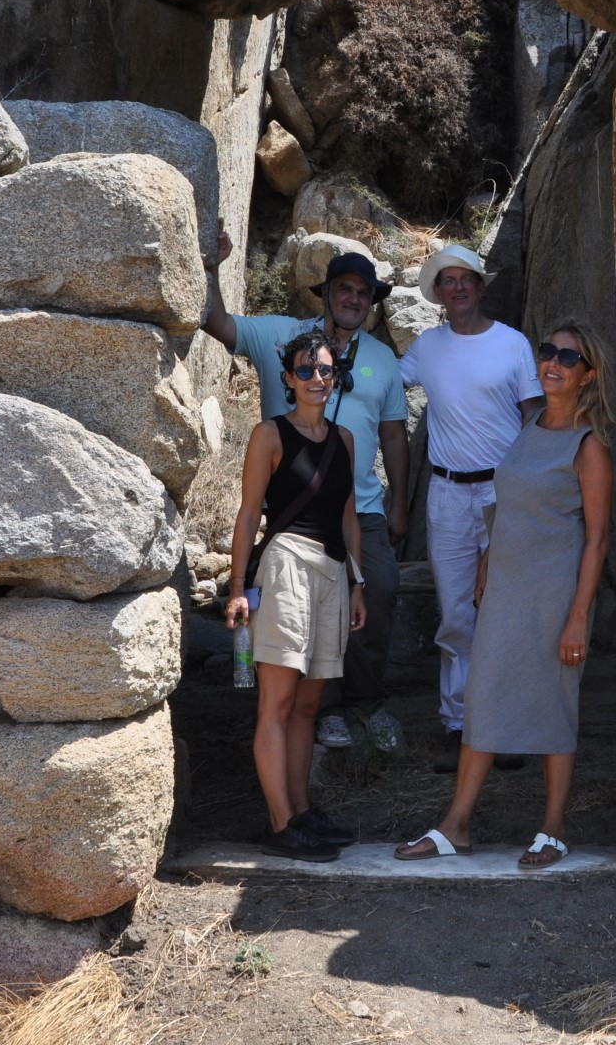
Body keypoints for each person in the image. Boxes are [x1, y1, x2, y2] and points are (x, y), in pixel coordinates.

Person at [395, 322, 614, 869]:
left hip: (554, 595)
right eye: (548, 351)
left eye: (569, 357)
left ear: (588, 376)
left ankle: (553, 828)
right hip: (506, 587)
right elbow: (511, 503)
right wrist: (489, 558)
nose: (553, 362)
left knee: (555, 701)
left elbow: (597, 539)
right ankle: (456, 826)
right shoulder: (531, 424)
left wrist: (578, 618)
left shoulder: (588, 446)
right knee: (482, 695)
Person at [202, 227, 409, 755]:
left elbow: (393, 436)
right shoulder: (282, 335)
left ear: (372, 301)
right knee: (310, 611)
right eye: (344, 288)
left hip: (359, 508)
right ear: (326, 293)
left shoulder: (383, 360)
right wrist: (212, 267)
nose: (353, 298)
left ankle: (367, 701)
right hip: (294, 520)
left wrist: (400, 504)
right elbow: (218, 323)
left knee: (378, 590)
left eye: (363, 292)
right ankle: (327, 709)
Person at [397, 244, 544, 773]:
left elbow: (534, 417)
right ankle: (459, 727)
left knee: (506, 610)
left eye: (466, 279)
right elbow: (381, 384)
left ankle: (505, 725)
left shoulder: (513, 343)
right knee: (457, 612)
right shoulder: (426, 347)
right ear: (437, 293)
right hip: (448, 495)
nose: (457, 287)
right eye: (448, 280)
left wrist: (531, 490)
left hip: (503, 493)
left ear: (481, 287)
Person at [225, 328, 367, 862]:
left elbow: (348, 517)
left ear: (336, 376)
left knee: (309, 705)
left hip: (332, 571)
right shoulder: (269, 434)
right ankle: (281, 823)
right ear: (288, 378)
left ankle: (302, 813)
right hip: (285, 565)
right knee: (278, 703)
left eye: (325, 369)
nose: (316, 378)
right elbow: (247, 515)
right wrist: (237, 588)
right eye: (305, 370)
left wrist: (357, 583)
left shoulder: (344, 440)